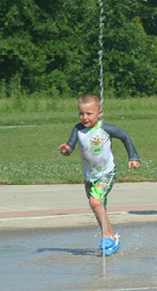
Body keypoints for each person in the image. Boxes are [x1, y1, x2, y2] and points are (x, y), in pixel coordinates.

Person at [59, 93, 140, 255]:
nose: (85, 117)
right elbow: (71, 146)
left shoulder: (105, 128)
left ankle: (107, 237)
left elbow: (125, 136)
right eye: (81, 113)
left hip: (107, 173)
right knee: (98, 207)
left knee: (95, 202)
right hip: (89, 176)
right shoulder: (78, 129)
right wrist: (66, 150)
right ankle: (112, 238)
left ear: (99, 113)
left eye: (89, 114)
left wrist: (133, 157)